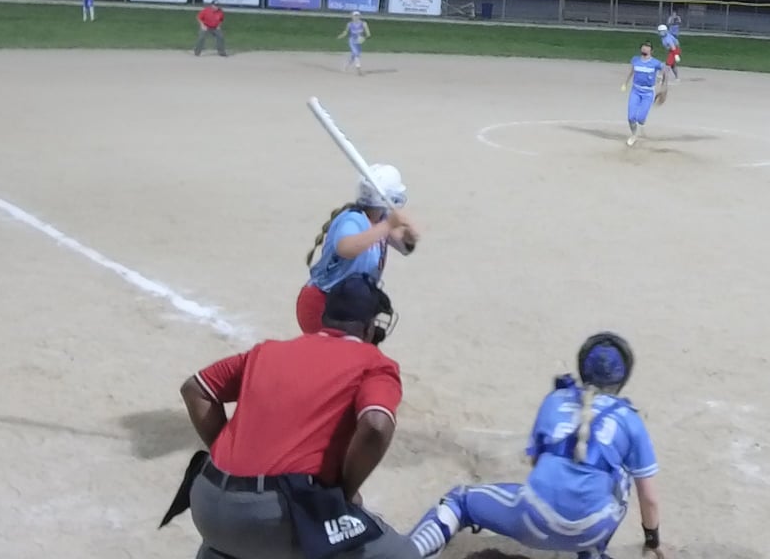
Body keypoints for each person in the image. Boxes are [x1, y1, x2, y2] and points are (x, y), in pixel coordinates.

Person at [165, 274, 420, 559]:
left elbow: (195, 390)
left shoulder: (266, 352)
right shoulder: (373, 363)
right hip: (270, 517)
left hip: (207, 504)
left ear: (324, 318)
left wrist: (225, 458)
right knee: (404, 554)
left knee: (233, 547)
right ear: (370, 327)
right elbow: (376, 426)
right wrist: (345, 491)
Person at [405, 332, 663, 559]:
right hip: (592, 530)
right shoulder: (630, 419)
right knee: (622, 477)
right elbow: (649, 499)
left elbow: (537, 463)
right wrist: (652, 541)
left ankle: (407, 554)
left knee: (459, 501)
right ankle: (592, 552)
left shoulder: (556, 399)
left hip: (533, 519)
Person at [299, 164, 417, 335]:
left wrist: (409, 234)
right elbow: (346, 248)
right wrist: (387, 225)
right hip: (324, 304)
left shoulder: (380, 220)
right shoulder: (353, 220)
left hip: (349, 304)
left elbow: (405, 247)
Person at [621, 42, 668, 147]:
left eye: (648, 47)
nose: (645, 49)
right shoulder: (635, 60)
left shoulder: (655, 63)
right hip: (635, 91)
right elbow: (631, 71)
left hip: (648, 93)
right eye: (643, 47)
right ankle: (634, 135)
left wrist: (663, 87)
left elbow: (665, 71)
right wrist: (625, 83)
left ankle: (642, 121)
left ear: (652, 51)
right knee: (631, 117)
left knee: (640, 118)